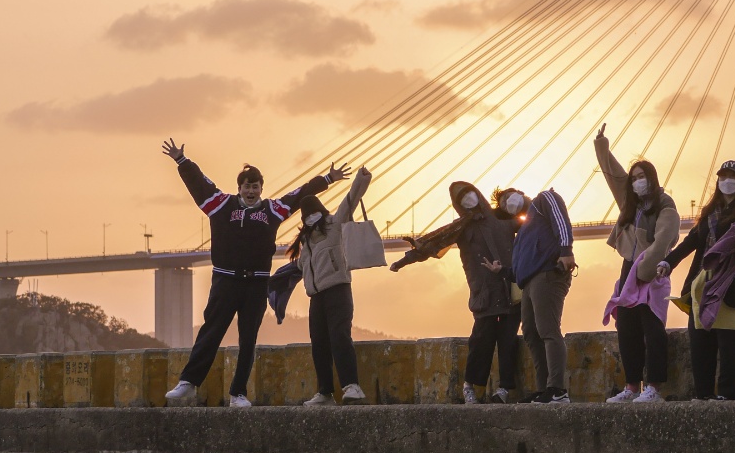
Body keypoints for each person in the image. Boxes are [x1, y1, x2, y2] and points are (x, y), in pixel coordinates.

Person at [162, 139, 347, 407]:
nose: (251, 190)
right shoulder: (221, 205)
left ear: (262, 188)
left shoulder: (273, 209)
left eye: (255, 186)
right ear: (239, 188)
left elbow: (299, 194)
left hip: (256, 284)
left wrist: (328, 178)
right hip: (225, 280)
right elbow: (200, 185)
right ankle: (189, 383)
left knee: (248, 339)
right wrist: (182, 160)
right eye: (247, 186)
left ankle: (238, 393)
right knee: (211, 331)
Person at [389, 182, 522, 404]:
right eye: (462, 199)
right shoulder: (461, 227)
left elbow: (531, 218)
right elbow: (432, 243)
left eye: (470, 193)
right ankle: (471, 387)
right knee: (481, 340)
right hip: (484, 293)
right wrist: (404, 261)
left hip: (510, 289)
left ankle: (505, 389)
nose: (469, 199)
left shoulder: (503, 219)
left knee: (508, 340)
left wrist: (514, 198)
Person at [657, 161, 735, 400]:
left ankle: (727, 396)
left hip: (732, 285)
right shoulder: (708, 214)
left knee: (730, 345)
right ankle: (703, 395)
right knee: (700, 343)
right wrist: (668, 262)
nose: (728, 180)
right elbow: (690, 243)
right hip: (702, 283)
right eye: (723, 176)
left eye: (733, 176)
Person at [593, 124, 680, 403]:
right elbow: (615, 176)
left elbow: (665, 240)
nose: (637, 182)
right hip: (628, 269)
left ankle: (652, 387)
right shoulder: (629, 203)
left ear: (652, 178)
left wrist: (644, 272)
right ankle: (631, 387)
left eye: (642, 177)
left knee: (652, 328)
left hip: (651, 272)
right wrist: (602, 146)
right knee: (627, 328)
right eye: (635, 178)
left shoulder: (666, 204)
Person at [289, 166, 373, 406]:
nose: (310, 216)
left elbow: (350, 201)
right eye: (306, 214)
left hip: (338, 291)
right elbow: (303, 268)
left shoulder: (335, 225)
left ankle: (352, 387)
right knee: (319, 344)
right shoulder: (306, 243)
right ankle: (325, 392)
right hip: (316, 297)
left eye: (313, 211)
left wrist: (361, 179)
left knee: (339, 337)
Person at [508, 186, 575, 404]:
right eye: (503, 204)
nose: (508, 203)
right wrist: (502, 271)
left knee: (548, 329)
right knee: (530, 332)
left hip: (547, 273)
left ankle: (557, 389)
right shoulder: (524, 229)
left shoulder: (545, 198)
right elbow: (520, 264)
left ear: (521, 193)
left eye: (509, 197)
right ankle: (543, 388)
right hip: (529, 282)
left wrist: (566, 250)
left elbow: (561, 219)